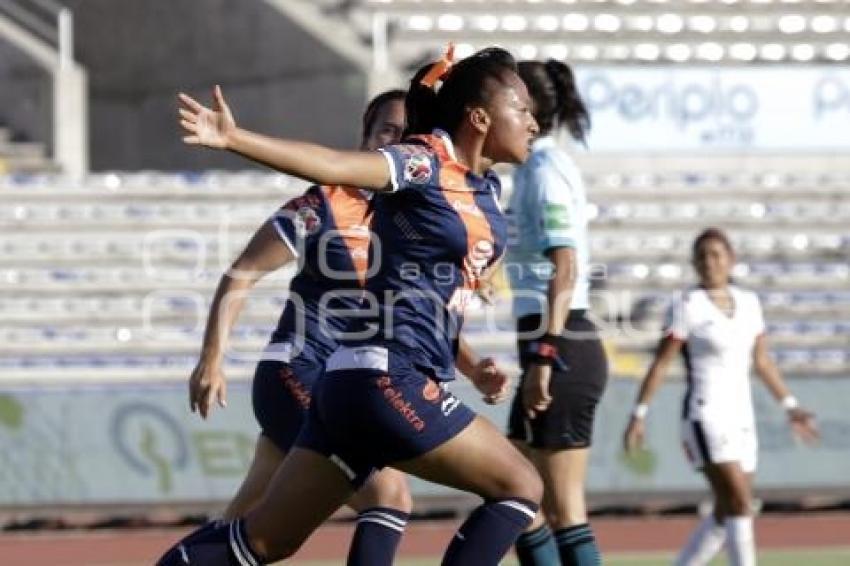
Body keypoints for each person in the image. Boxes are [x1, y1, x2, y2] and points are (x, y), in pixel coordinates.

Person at [158, 46, 541, 566]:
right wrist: (234, 138)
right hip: (384, 379)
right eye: (522, 109)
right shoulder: (424, 160)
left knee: (261, 543)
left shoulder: (486, 191)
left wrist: (472, 364)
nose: (534, 123)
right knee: (520, 484)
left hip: (348, 382)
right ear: (479, 117)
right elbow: (333, 164)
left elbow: (425, 303)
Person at [186, 90, 413, 566]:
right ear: (365, 139)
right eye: (387, 130)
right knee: (388, 493)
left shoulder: (415, 223)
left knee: (243, 527)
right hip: (297, 373)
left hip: (342, 388)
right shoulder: (325, 205)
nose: (397, 140)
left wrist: (474, 367)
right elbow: (242, 272)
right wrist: (212, 359)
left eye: (407, 133)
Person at [623, 227, 819, 566]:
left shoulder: (749, 302)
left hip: (741, 415)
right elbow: (662, 362)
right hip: (705, 413)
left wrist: (791, 406)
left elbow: (762, 361)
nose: (709, 263)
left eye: (716, 255)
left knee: (726, 509)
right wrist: (639, 413)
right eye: (701, 256)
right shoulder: (687, 304)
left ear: (731, 260)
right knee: (740, 502)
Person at [504, 59, 607, 566]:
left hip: (560, 345)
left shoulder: (545, 170)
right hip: (547, 343)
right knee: (516, 497)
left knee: (564, 509)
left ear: (530, 108)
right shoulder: (531, 168)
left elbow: (565, 267)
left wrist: (545, 354)